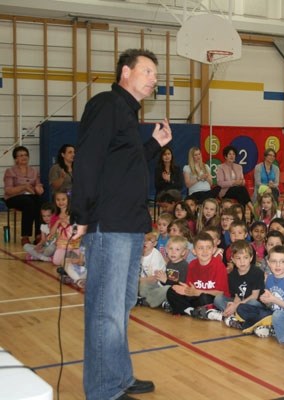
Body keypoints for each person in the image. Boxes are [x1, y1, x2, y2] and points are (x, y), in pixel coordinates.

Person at [70, 48, 172, 400]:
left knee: (122, 305)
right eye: (147, 71)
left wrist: (154, 145)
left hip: (129, 225)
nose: (153, 79)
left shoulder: (129, 115)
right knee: (105, 311)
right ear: (125, 72)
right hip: (109, 225)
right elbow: (87, 161)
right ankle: (102, 390)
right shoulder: (106, 105)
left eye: (155, 74)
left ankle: (119, 377)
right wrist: (80, 216)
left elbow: (127, 167)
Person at [3, 145, 45, 245]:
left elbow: (38, 186)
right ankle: (25, 236)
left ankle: (39, 235)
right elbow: (8, 190)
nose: (24, 157)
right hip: (13, 198)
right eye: (21, 155)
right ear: (16, 159)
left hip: (30, 197)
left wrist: (39, 189)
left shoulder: (34, 171)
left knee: (41, 202)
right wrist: (24, 187)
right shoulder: (10, 171)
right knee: (28, 202)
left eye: (26, 155)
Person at [216, 145, 252, 210]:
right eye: (229, 154)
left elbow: (243, 181)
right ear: (225, 156)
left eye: (233, 154)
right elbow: (220, 183)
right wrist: (234, 182)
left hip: (237, 191)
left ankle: (242, 213)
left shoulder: (239, 167)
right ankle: (251, 207)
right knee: (241, 190)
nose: (232, 156)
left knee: (240, 194)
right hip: (226, 191)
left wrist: (241, 182)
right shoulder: (220, 167)